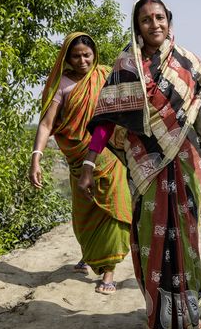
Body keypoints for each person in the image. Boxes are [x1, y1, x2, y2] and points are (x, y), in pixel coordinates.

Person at [78, 0, 201, 329]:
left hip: (186, 161)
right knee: (151, 241)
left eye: (159, 17)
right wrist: (90, 163)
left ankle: (189, 318)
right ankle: (159, 320)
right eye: (145, 20)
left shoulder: (189, 62)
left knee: (185, 239)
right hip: (144, 166)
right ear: (137, 26)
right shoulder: (126, 65)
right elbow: (108, 120)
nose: (154, 24)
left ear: (169, 21)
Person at [29, 32, 132, 295]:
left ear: (94, 54)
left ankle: (108, 271)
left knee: (113, 208)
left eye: (87, 54)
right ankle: (90, 253)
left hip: (107, 155)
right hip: (76, 157)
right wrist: (36, 158)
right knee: (84, 212)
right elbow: (46, 123)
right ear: (67, 58)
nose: (83, 60)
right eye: (76, 56)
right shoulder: (61, 84)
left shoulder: (105, 76)